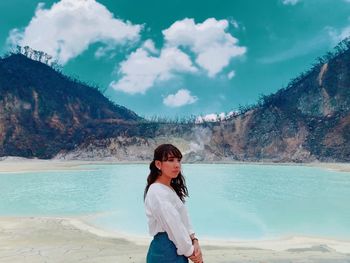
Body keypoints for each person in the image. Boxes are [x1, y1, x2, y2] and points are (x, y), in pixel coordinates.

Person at [144, 144, 203, 263]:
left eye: (179, 160)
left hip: (176, 247)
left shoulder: (167, 188)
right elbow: (173, 225)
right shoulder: (157, 192)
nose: (177, 165)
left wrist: (194, 239)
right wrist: (192, 252)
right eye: (170, 160)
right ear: (158, 164)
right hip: (167, 251)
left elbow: (182, 220)